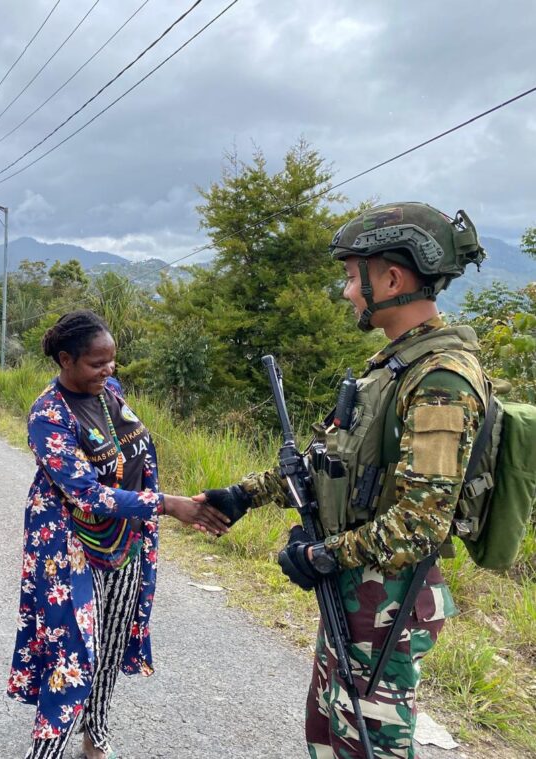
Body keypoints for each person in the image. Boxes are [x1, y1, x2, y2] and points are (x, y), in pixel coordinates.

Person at [199, 203, 488, 759]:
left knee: (367, 746)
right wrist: (242, 496)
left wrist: (323, 555)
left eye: (353, 277)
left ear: (393, 278)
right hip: (356, 592)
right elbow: (328, 465)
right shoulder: (393, 366)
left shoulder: (442, 379)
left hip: (391, 602)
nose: (347, 291)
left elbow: (421, 522)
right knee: (328, 735)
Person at [8, 309, 230, 759]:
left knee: (109, 645)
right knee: (71, 655)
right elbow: (86, 495)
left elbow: (136, 453)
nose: (108, 370)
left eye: (112, 361)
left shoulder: (110, 392)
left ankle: (97, 731)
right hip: (70, 548)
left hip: (125, 543)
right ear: (66, 360)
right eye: (96, 363)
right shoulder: (47, 415)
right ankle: (45, 751)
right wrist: (168, 504)